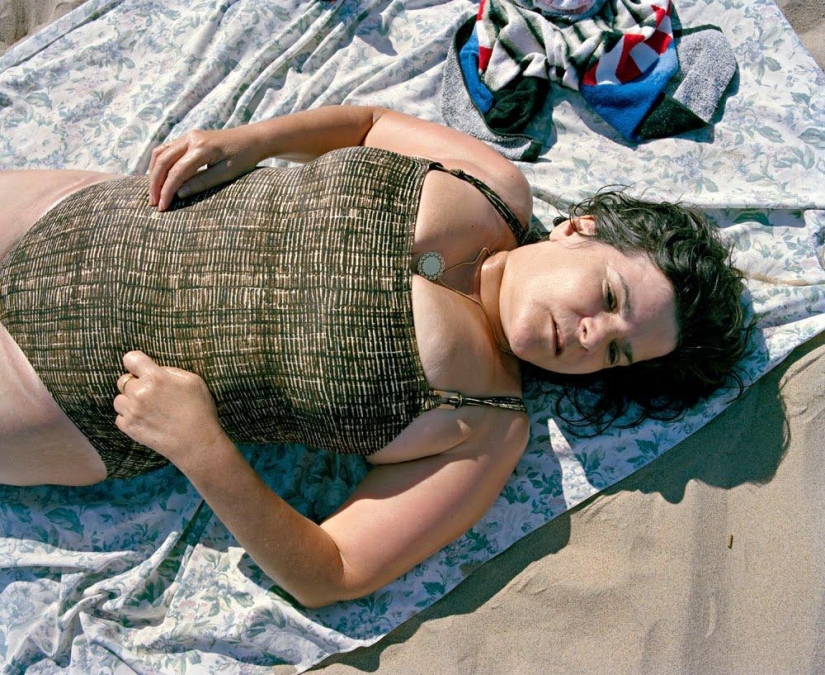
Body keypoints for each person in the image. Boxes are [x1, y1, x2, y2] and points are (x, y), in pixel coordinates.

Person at [0, 105, 747, 608]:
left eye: (615, 352)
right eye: (609, 298)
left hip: (59, 386)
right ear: (579, 229)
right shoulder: (491, 187)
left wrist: (203, 450)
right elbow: (370, 124)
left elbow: (330, 572)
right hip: (84, 213)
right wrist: (252, 142)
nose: (589, 335)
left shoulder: (485, 428)